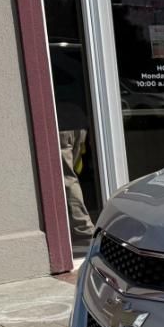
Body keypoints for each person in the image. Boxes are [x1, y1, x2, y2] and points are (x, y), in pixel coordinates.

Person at [56, 98, 96, 249]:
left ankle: (83, 229)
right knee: (71, 175)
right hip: (79, 124)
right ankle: (76, 223)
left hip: (62, 127)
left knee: (68, 178)